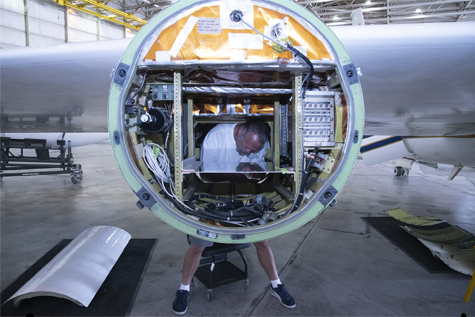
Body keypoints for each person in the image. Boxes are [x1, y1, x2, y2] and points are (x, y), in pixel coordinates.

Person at [172, 119, 296, 315]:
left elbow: (260, 166)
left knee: (262, 241)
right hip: (214, 196)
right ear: (239, 132)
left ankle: (276, 284)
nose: (248, 152)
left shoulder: (258, 142)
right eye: (245, 147)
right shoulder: (216, 137)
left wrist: (254, 170)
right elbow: (206, 173)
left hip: (245, 196)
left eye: (252, 149)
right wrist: (232, 176)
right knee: (198, 245)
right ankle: (183, 289)